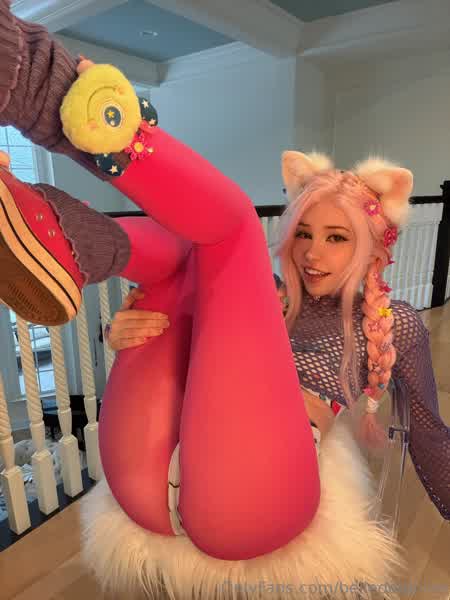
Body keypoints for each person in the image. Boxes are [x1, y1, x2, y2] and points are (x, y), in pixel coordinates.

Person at [0, 3, 432, 596]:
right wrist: (118, 334)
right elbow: (181, 331)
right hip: (149, 470)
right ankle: (64, 236)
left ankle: (39, 89)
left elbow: (429, 431)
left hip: (255, 501)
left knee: (231, 230)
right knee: (186, 255)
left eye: (337, 239)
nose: (312, 253)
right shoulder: (266, 295)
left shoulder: (393, 322)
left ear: (371, 250)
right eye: (303, 234)